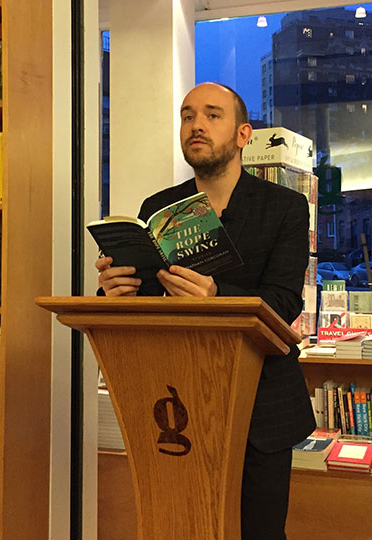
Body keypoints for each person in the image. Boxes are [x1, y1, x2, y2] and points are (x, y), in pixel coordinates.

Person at [96, 82, 315, 540]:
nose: (196, 124)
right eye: (187, 115)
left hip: (262, 405)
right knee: (182, 528)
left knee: (259, 532)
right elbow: (148, 306)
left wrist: (216, 296)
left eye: (213, 115)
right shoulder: (158, 209)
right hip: (175, 406)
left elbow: (284, 302)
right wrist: (115, 294)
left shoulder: (285, 207)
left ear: (242, 135)